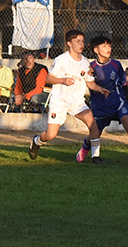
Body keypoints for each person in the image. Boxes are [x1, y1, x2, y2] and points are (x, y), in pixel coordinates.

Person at [28, 30, 108, 163]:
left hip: (76, 101)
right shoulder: (61, 60)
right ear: (69, 43)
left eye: (82, 41)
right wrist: (63, 81)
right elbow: (48, 79)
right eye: (78, 41)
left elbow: (89, 82)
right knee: (51, 135)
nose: (81, 44)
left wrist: (100, 89)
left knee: (93, 123)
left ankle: (96, 156)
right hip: (59, 101)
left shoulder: (86, 62)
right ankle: (36, 141)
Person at [84, 36, 128, 165]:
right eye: (104, 46)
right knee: (96, 132)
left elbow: (124, 85)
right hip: (100, 104)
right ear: (96, 50)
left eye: (109, 46)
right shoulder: (90, 67)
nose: (108, 49)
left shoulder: (116, 64)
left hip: (118, 101)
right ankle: (85, 147)